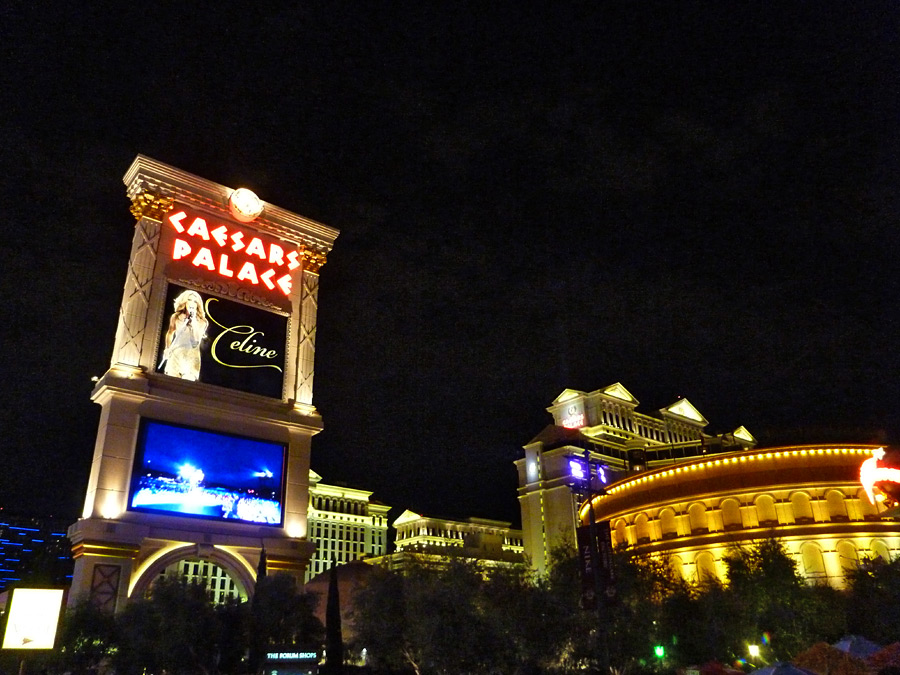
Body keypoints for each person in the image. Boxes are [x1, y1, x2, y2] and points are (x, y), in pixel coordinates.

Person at [160, 289, 208, 381]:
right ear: (185, 301)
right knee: (170, 382)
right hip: (176, 353)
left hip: (191, 356)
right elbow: (170, 333)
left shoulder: (202, 321)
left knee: (186, 385)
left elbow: (196, 341)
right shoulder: (176, 317)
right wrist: (167, 348)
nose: (192, 303)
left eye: (195, 301)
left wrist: (193, 320)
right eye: (189, 300)